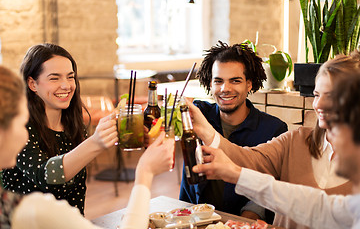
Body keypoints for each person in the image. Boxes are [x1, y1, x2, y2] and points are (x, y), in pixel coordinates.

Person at [186, 51, 360, 228]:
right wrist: (205, 131)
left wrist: (236, 174)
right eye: (316, 95)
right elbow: (250, 159)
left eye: (330, 96)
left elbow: (317, 208)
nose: (318, 105)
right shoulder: (294, 140)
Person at [0, 65, 176, 228]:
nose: (66, 85)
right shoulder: (33, 211)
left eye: (70, 77)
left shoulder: (72, 126)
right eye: (21, 122)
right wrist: (145, 172)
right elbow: (45, 174)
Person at [179, 41, 288, 222]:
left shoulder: (273, 129)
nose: (225, 89)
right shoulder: (197, 114)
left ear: (249, 85)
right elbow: (156, 121)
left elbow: (266, 189)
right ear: (210, 84)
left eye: (235, 81)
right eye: (218, 81)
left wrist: (239, 224)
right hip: (191, 218)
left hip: (242, 223)